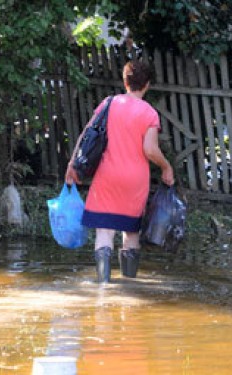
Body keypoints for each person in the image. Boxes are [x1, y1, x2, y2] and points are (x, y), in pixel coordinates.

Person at [65, 60, 174, 283]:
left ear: (125, 82)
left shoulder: (109, 103)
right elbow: (150, 150)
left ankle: (104, 287)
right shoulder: (149, 113)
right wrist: (166, 166)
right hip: (135, 181)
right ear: (147, 85)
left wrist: (71, 164)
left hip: (107, 176)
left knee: (104, 232)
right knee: (131, 234)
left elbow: (87, 134)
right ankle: (129, 285)